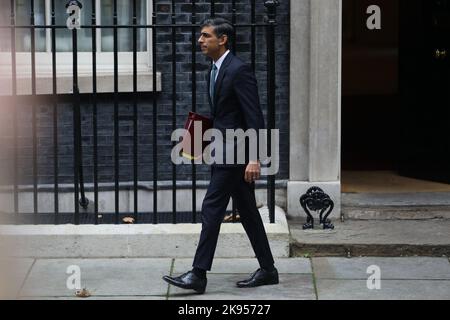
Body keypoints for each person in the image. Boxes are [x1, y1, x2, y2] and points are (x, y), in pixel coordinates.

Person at [162, 17, 278, 294]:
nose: (200, 41)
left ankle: (198, 274)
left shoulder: (239, 70)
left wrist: (254, 158)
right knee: (249, 212)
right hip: (223, 150)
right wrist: (200, 140)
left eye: (205, 36)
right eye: (200, 36)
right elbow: (223, 116)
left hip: (236, 153)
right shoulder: (213, 71)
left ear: (222, 39)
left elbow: (254, 116)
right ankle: (268, 270)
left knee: (212, 207)